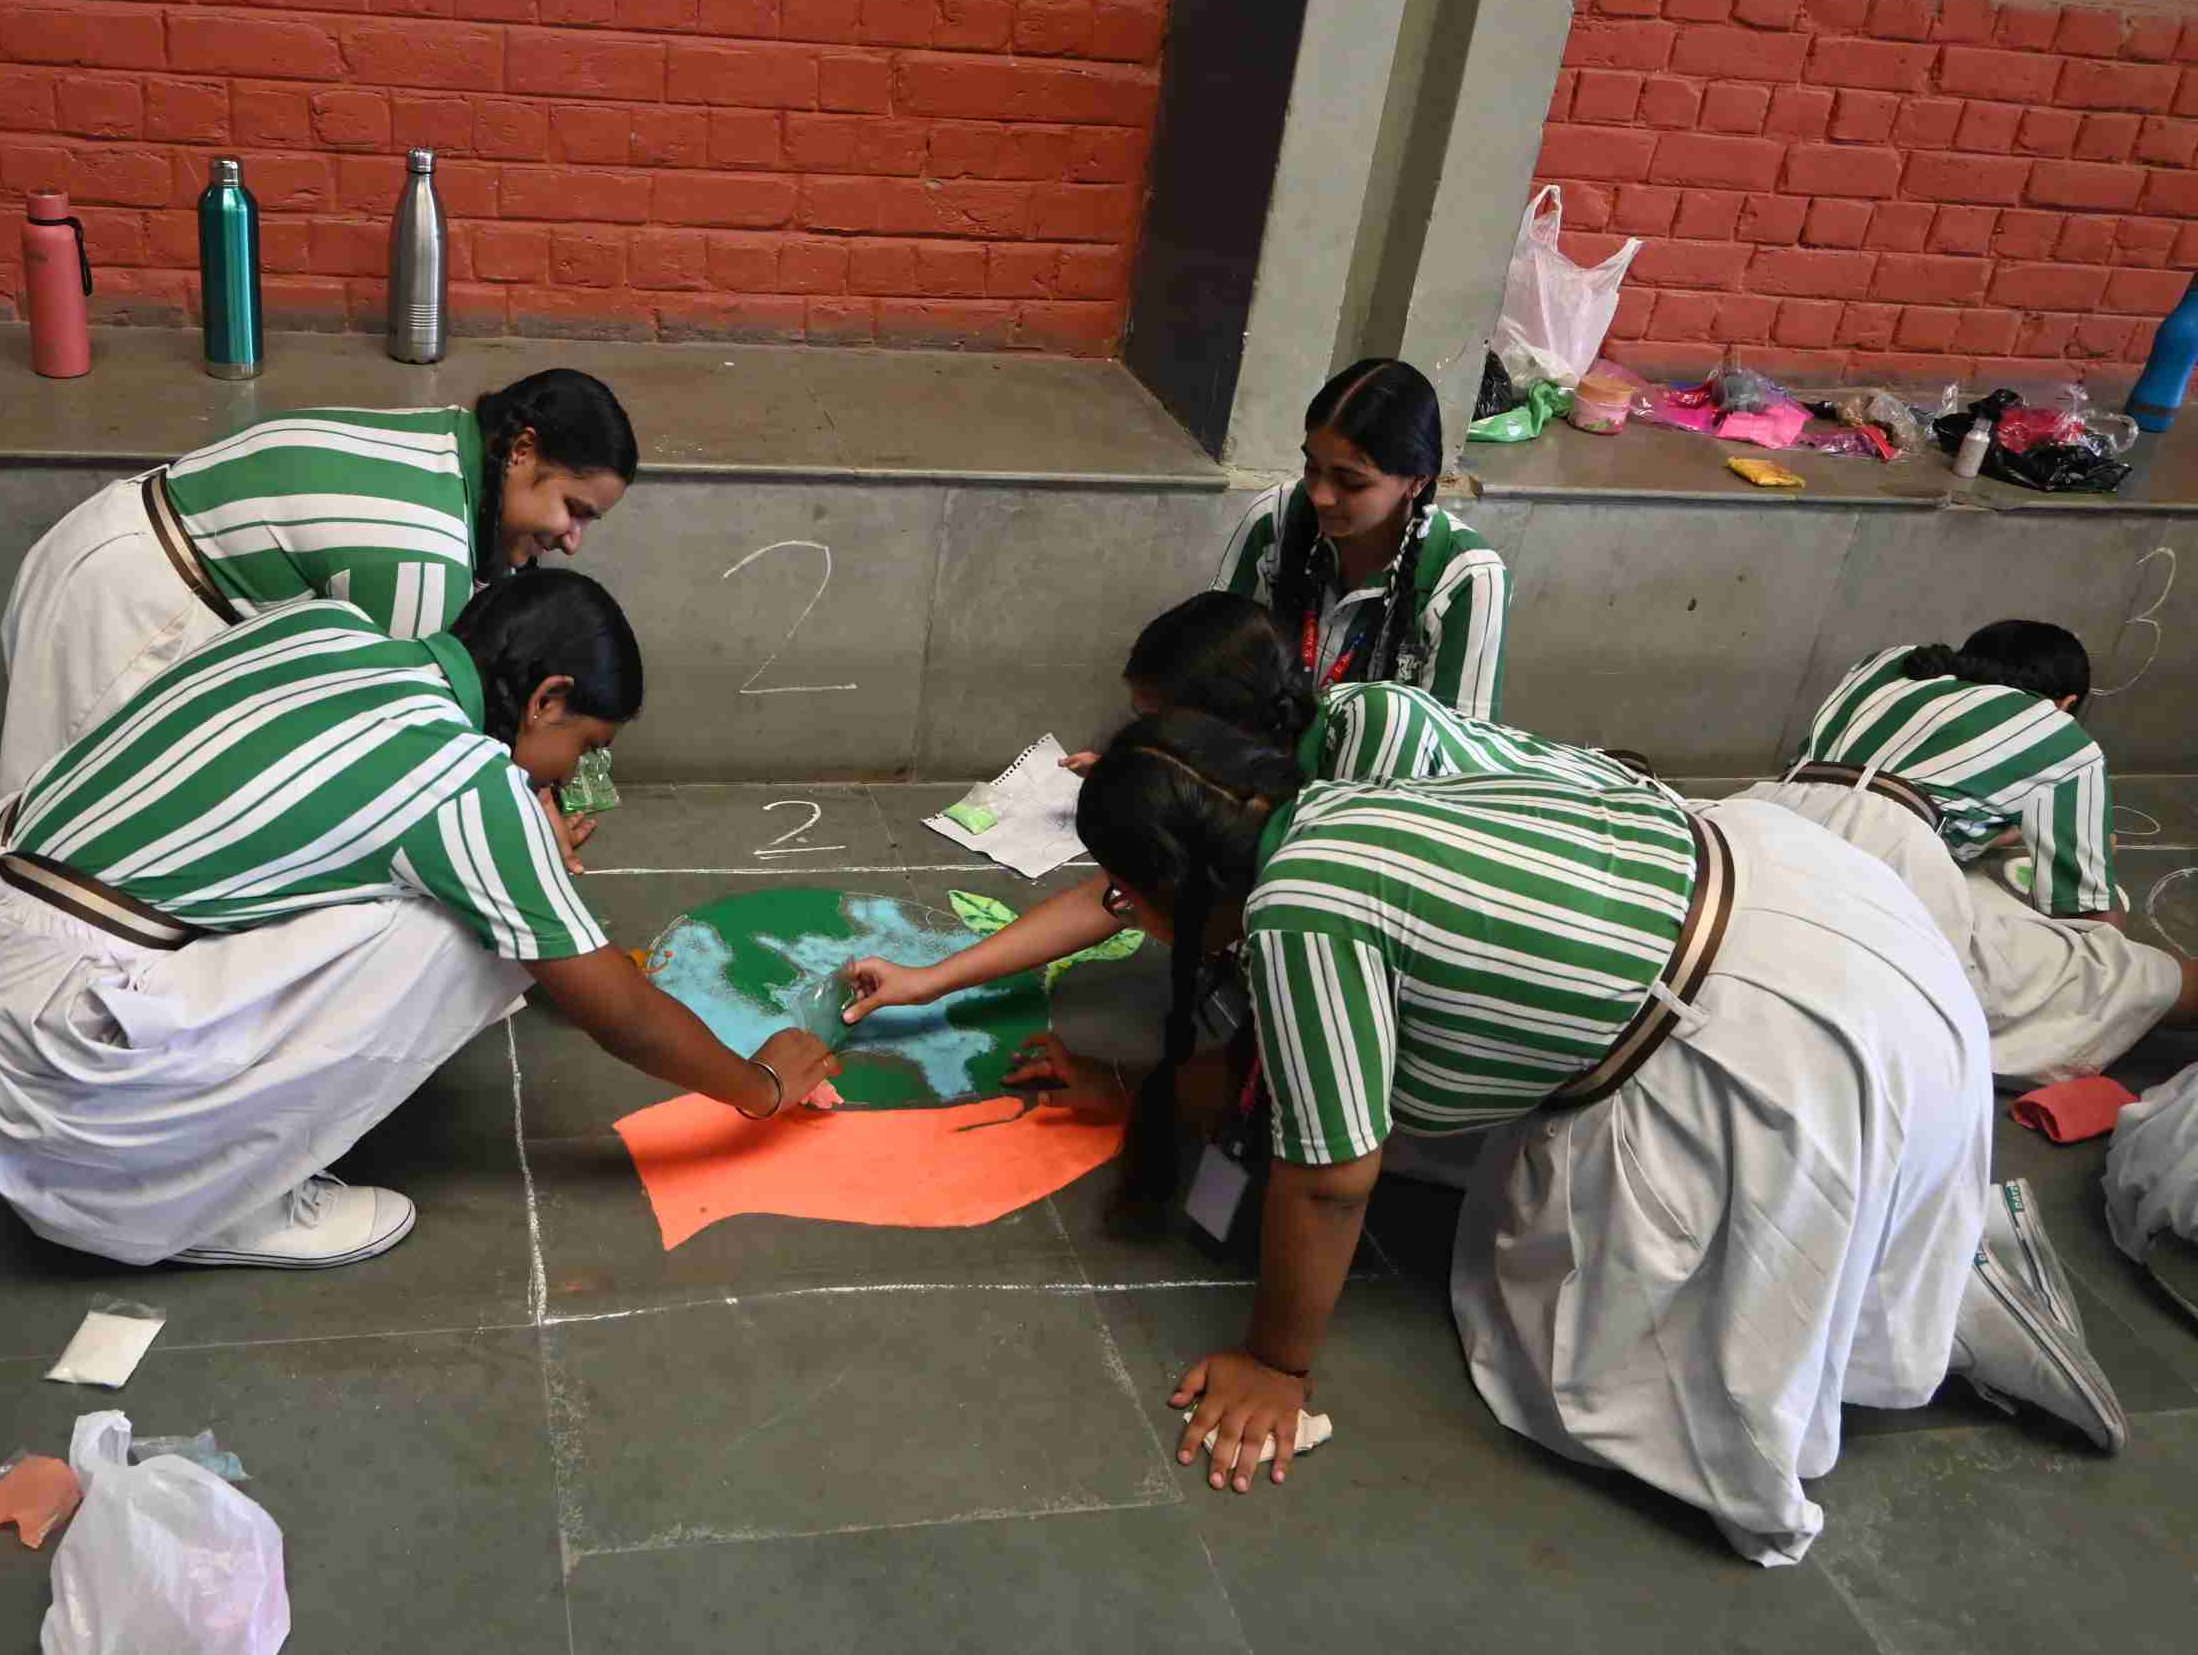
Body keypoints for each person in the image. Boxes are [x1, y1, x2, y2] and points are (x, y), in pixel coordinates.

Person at [1065, 710, 2116, 1566]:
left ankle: (1966, 1285)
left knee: (1591, 1382)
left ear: (1176, 889)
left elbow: (1332, 1175)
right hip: (1824, 901)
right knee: (1439, 1136)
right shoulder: (1352, 760)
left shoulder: (1301, 906)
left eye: (1127, 897)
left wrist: (1275, 1363)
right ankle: (1927, 1237)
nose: (1129, 916)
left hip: (1779, 1045)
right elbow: (1293, 1065)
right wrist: (1138, 1086)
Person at [0, 569, 834, 1270]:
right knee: (476, 939)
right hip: (52, 1087)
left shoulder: (324, 629)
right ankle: (213, 1195)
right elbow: (619, 1012)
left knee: (476, 889)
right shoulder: (472, 787)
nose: (570, 776)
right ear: (547, 698)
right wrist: (761, 1085)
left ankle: (188, 1142)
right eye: (583, 747)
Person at [845, 592, 1660, 1135]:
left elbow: (1324, 1127)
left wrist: (1134, 1094)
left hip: (1620, 907)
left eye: (1153, 728)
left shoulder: (1368, 765)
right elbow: (1118, 895)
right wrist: (933, 980)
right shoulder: (1266, 802)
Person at [0, 369, 639, 834]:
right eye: (573, 510)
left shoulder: (450, 443)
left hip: (137, 545)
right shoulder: (416, 550)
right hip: (126, 601)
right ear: (523, 451)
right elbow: (418, 756)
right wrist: (520, 832)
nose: (573, 541)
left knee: (68, 799)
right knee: (53, 832)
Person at [1746, 621, 2191, 1086]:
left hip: (1762, 817)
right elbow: (2091, 917)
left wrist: (2000, 833)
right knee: (2113, 971)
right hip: (1877, 859)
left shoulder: (1885, 664)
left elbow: (1873, 792)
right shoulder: (2061, 737)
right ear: (2067, 704)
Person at [1216, 358, 1509, 718]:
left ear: (1417, 481)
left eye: (1350, 480)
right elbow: (1211, 669)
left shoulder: (1467, 577)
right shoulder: (1275, 518)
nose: (1320, 495)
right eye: (1312, 468)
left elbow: (1452, 757)